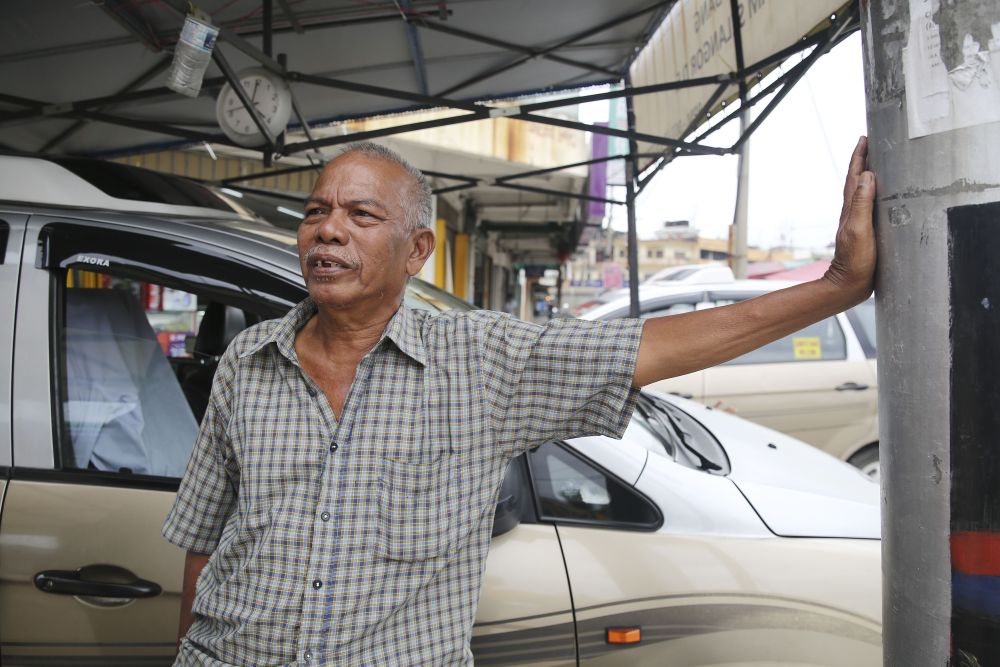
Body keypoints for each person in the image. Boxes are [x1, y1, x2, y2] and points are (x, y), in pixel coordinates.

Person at [163, 138, 876, 666]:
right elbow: (205, 542)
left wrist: (837, 286)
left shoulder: (480, 362)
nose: (327, 229)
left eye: (360, 214)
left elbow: (651, 348)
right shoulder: (246, 364)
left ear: (417, 250)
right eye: (316, 212)